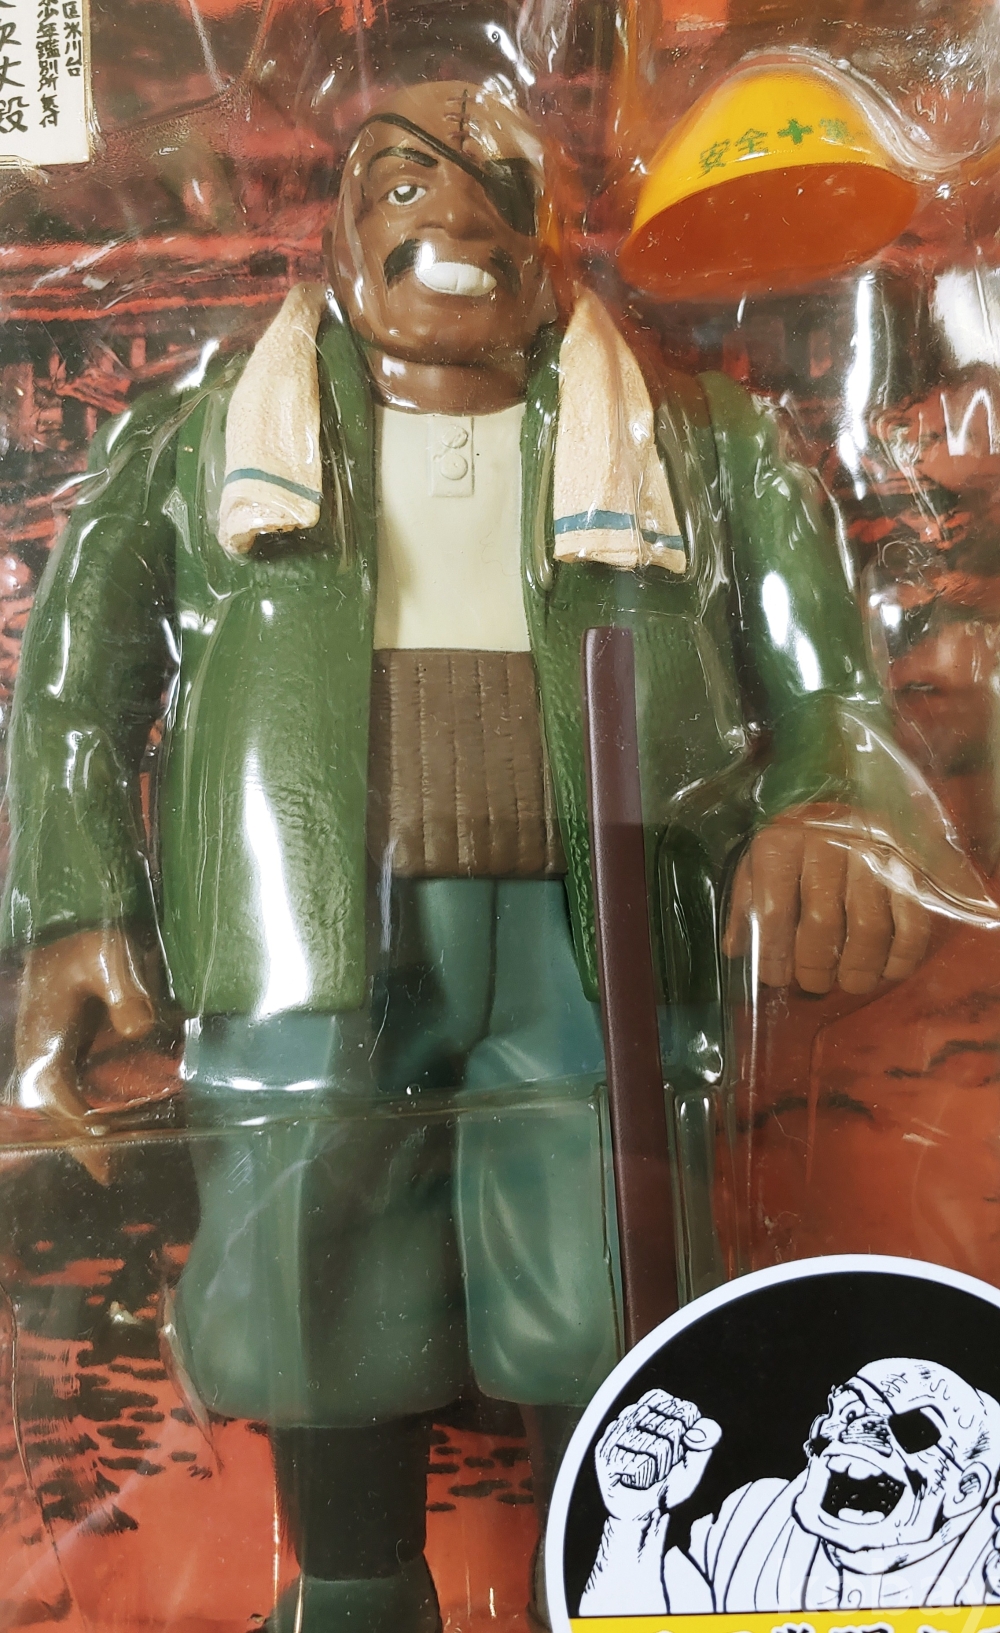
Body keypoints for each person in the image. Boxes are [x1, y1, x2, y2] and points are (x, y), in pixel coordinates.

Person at [3, 79, 936, 1631]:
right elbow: (71, 694)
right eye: (401, 181)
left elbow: (831, 691)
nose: (453, 215)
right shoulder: (198, 443)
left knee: (605, 1262)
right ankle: (353, 1589)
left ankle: (613, 1573)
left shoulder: (700, 444)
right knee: (316, 1255)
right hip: (309, 925)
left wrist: (840, 806)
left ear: (557, 229)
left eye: (500, 179)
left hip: (595, 924)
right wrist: (76, 907)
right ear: (338, 230)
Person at [580, 1361, 1000, 1613]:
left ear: (966, 1488)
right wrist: (635, 1522)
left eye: (914, 1430)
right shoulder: (754, 1520)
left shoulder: (988, 1553)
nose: (862, 1433)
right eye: (849, 1411)